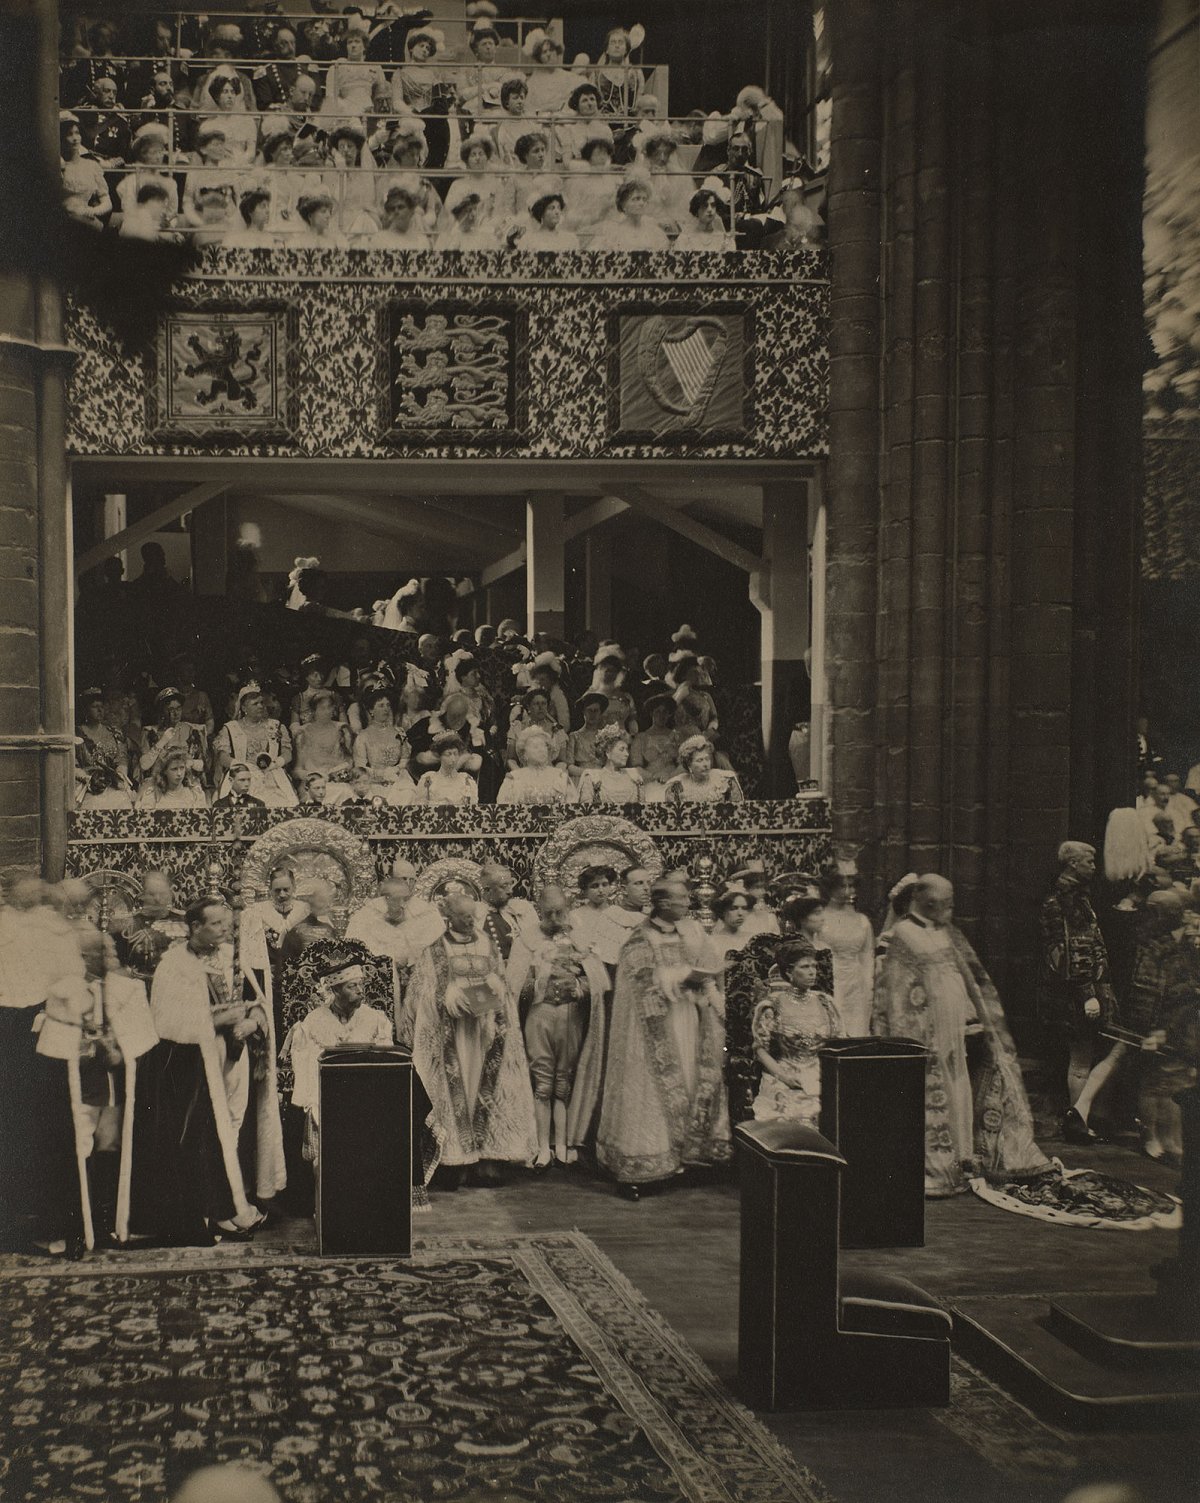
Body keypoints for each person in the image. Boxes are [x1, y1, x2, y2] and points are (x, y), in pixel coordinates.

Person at [873, 874, 1048, 1197]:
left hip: (955, 1029)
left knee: (960, 1086)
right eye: (947, 903)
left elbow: (970, 979)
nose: (952, 908)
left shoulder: (949, 933)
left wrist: (975, 1018)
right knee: (936, 1094)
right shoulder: (902, 935)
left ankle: (964, 1158)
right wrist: (915, 1038)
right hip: (926, 1032)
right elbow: (896, 995)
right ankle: (938, 1168)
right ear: (930, 903)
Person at [149, 899, 280, 1243]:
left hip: (236, 1055)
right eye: (216, 924)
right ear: (194, 927)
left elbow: (257, 1002)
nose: (225, 929)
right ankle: (214, 1213)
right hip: (193, 1063)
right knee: (207, 1135)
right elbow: (165, 1022)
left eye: (227, 923)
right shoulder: (173, 965)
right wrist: (221, 1020)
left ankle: (232, 1205)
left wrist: (252, 1021)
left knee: (234, 1129)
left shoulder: (231, 957)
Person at [596, 874, 731, 1198]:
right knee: (650, 1095)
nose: (688, 903)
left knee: (685, 1082)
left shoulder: (684, 934)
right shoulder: (639, 940)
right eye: (682, 899)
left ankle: (680, 1159)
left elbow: (695, 970)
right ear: (663, 903)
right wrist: (679, 976)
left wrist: (699, 982)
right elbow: (640, 986)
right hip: (647, 1033)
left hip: (684, 1019)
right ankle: (641, 1164)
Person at [34, 928, 160, 1252]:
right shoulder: (64, 991)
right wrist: (90, 1047)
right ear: (86, 958)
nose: (113, 956)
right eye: (105, 952)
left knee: (110, 1150)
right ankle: (76, 1229)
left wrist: (121, 1049)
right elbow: (55, 1043)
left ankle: (104, 1227)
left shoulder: (127, 988)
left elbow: (141, 1034)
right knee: (78, 1153)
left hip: (114, 1086)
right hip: (82, 1086)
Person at [408, 891, 537, 1185]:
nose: (469, 921)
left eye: (472, 916)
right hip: (451, 1037)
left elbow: (501, 981)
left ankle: (486, 1158)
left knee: (483, 1086)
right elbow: (421, 994)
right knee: (457, 1090)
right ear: (448, 917)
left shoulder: (487, 945)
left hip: (482, 1034)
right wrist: (447, 996)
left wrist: (495, 988)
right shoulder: (434, 951)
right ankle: (454, 1160)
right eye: (463, 917)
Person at [508, 885, 608, 1168]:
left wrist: (580, 986)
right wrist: (539, 978)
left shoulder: (580, 937)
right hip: (539, 1016)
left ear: (567, 909)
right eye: (548, 913)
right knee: (542, 1081)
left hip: (570, 1015)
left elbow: (598, 979)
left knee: (564, 1082)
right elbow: (514, 986)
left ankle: (562, 1144)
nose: (554, 918)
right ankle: (541, 1146)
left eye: (559, 912)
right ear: (539, 910)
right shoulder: (526, 939)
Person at [1038, 841, 1127, 1145]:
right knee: (1081, 1055)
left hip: (1090, 987)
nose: (1093, 866)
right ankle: (1078, 1119)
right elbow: (1070, 949)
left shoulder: (1078, 897)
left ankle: (1081, 1116)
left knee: (1090, 1053)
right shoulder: (1064, 899)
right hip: (1078, 992)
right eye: (1089, 861)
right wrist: (1086, 993)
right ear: (1072, 864)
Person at [288, 959, 394, 1164]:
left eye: (361, 984)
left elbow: (384, 1056)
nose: (360, 991)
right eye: (352, 986)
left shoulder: (375, 1018)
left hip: (366, 1088)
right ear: (336, 990)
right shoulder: (313, 1020)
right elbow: (305, 1064)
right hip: (326, 1090)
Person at [1128, 889, 1199, 1166]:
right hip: (1162, 1022)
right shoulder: (1156, 947)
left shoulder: (1183, 945)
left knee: (1178, 1080)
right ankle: (1151, 1137)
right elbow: (1148, 991)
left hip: (1183, 1022)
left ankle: (1173, 1141)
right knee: (1156, 1082)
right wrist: (1153, 1029)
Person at [750, 937, 843, 1126]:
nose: (812, 972)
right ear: (789, 972)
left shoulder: (825, 1002)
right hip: (787, 1075)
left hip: (823, 1073)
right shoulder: (772, 1005)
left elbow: (840, 1042)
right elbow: (760, 1049)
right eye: (805, 967)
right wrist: (783, 1076)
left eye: (814, 967)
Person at [346, 867, 445, 1038]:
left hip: (416, 986)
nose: (402, 905)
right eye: (396, 900)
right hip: (377, 989)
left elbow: (437, 953)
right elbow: (353, 953)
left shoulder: (426, 915)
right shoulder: (365, 917)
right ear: (384, 898)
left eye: (406, 899)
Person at [240, 864, 309, 1044]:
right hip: (272, 981)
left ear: (294, 888)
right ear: (270, 890)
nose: (282, 895)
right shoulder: (259, 913)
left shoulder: (304, 911)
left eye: (286, 889)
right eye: (277, 890)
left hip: (301, 978)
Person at [215, 686, 297, 807]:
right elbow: (223, 757)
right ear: (243, 708)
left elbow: (287, 753)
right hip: (242, 775)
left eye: (262, 702)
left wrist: (274, 764)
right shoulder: (231, 728)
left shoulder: (275, 725)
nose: (260, 706)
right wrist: (244, 766)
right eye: (255, 704)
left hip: (271, 775)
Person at [818, 862, 875, 1035]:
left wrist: (868, 987)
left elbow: (867, 957)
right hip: (831, 979)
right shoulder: (821, 918)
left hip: (857, 984)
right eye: (842, 886)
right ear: (830, 888)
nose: (848, 891)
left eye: (851, 886)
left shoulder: (862, 920)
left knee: (857, 1028)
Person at [116, 869, 188, 983]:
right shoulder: (128, 924)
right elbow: (119, 966)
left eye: (162, 894)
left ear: (170, 893)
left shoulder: (184, 920)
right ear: (142, 896)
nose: (158, 899)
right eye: (152, 894)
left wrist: (159, 935)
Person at [569, 864, 629, 972]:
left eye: (605, 885)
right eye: (595, 886)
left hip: (617, 968)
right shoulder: (575, 915)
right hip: (587, 970)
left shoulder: (619, 913)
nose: (601, 890)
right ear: (585, 890)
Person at [477, 862, 539, 964]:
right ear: (487, 890)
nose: (510, 891)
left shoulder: (523, 909)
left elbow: (538, 946)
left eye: (510, 884)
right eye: (504, 886)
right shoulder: (475, 914)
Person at [59, 111, 112, 228]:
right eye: (69, 134)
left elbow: (107, 201)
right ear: (61, 138)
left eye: (77, 133)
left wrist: (93, 211)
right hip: (63, 222)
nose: (75, 138)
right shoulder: (57, 166)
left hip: (87, 219)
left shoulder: (91, 166)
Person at [590, 177, 669, 251]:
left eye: (644, 199)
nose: (642, 203)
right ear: (623, 204)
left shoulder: (655, 233)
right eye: (636, 199)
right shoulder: (613, 233)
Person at [663, 736, 743, 804]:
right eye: (699, 760)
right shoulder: (676, 787)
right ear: (689, 766)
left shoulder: (726, 780)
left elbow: (739, 810)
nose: (706, 764)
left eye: (707, 759)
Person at [631, 693, 680, 801]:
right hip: (650, 781)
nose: (661, 716)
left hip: (673, 779)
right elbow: (636, 767)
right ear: (652, 713)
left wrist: (670, 775)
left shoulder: (676, 736)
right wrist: (653, 776)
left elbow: (683, 764)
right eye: (658, 711)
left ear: (669, 714)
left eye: (665, 712)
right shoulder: (641, 737)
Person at [578, 724, 644, 805]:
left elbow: (644, 808)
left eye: (627, 750)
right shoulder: (593, 777)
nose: (627, 754)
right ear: (608, 752)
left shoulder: (634, 776)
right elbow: (586, 810)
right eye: (621, 749)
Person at [280, 880, 339, 967]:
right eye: (321, 900)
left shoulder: (329, 929)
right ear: (311, 901)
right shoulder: (295, 932)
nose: (326, 905)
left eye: (328, 901)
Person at [414, 731, 479, 805]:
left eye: (455, 754)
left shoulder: (466, 780)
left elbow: (473, 809)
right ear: (440, 756)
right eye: (448, 754)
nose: (453, 759)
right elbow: (420, 809)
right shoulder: (428, 779)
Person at [137, 748, 207, 810]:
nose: (179, 773)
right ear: (164, 771)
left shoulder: (195, 794)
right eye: (174, 769)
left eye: (182, 768)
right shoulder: (153, 795)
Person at [674, 186, 737, 251]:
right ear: (696, 210)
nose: (710, 209)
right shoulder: (685, 239)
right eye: (705, 206)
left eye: (713, 205)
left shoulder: (726, 240)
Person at [566, 691, 608, 782]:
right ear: (583, 712)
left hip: (603, 778)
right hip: (581, 777)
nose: (592, 714)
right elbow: (569, 766)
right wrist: (588, 773)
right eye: (589, 710)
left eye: (596, 711)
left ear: (600, 713)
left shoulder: (605, 736)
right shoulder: (574, 736)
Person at [711, 886, 756, 957]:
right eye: (733, 908)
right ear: (722, 911)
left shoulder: (751, 939)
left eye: (744, 908)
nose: (740, 913)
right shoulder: (713, 942)